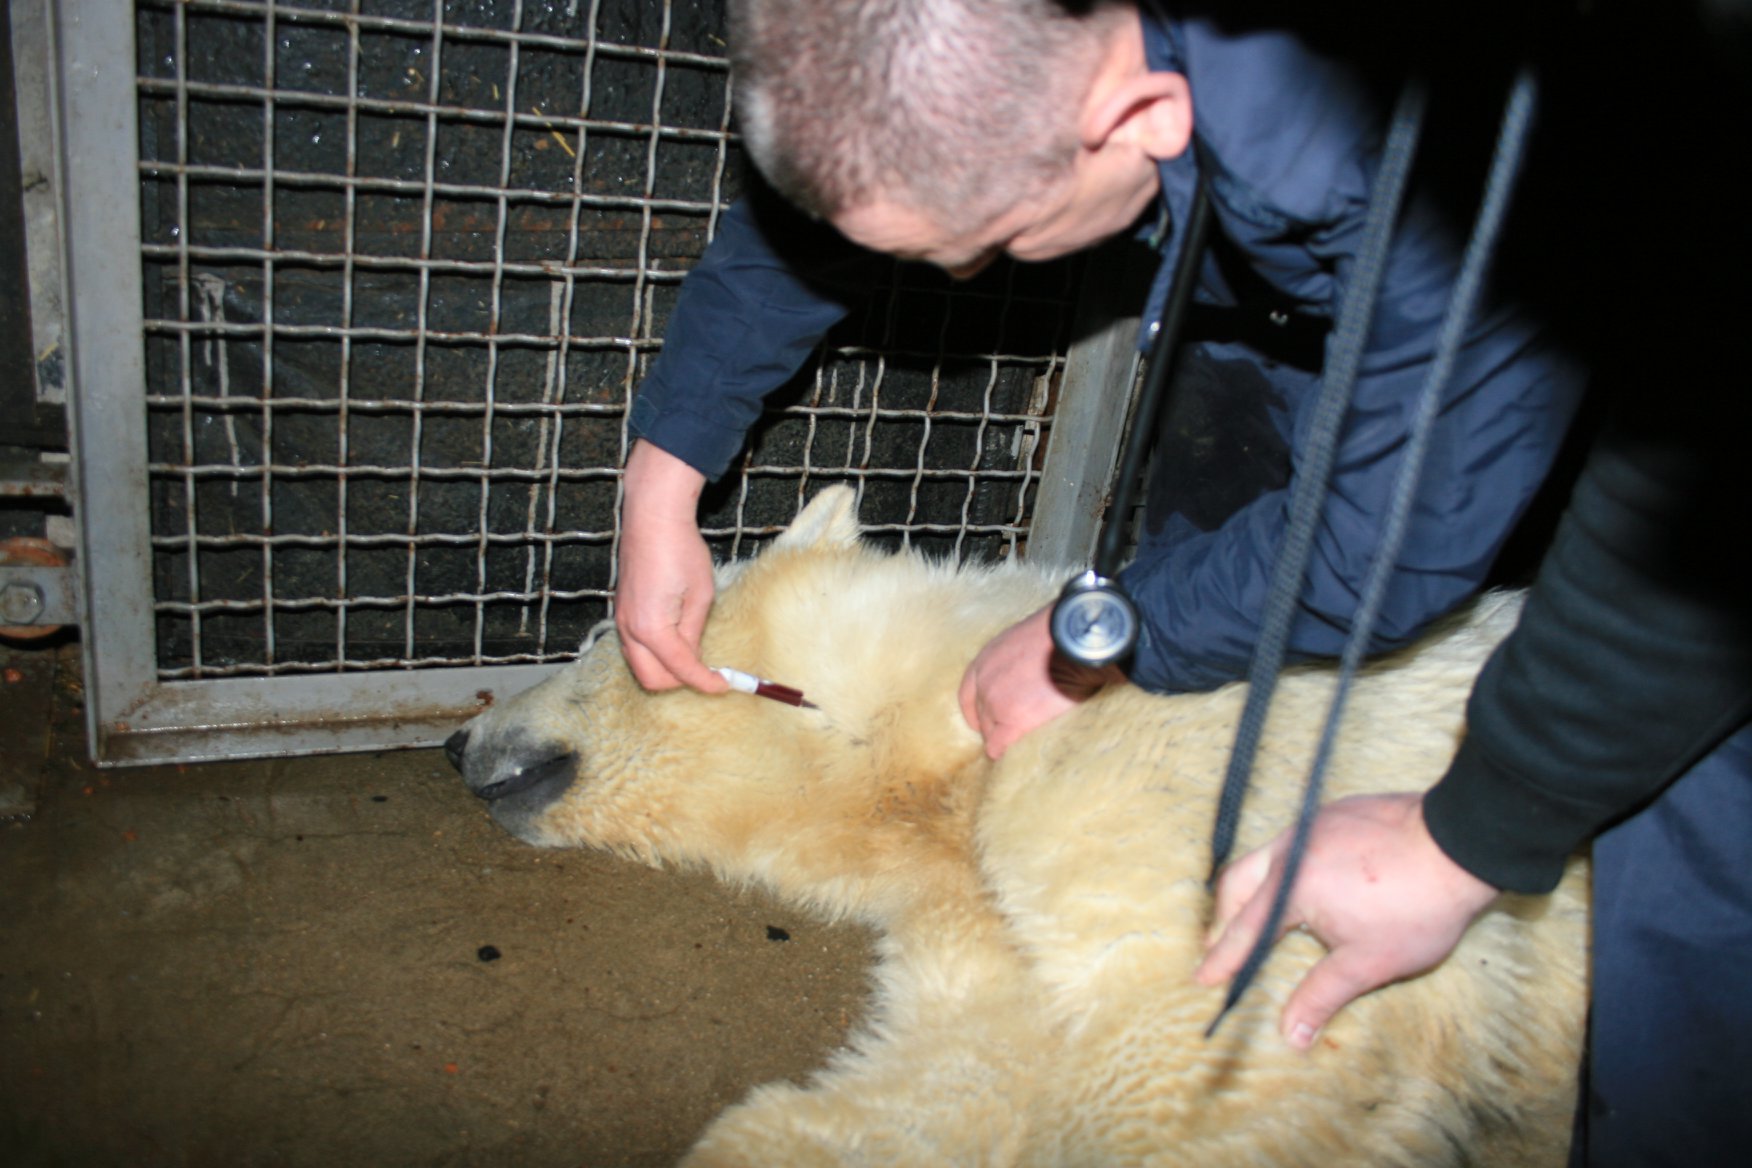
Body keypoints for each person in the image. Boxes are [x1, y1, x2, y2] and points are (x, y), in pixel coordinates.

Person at [610, 2, 1751, 1164]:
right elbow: (857, 158)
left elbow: (1412, 536)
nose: (968, 278)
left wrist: (1471, 831)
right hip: (1262, 240)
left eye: (998, 238)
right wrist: (666, 472)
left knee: (1688, 901)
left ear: (1141, 114)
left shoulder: (1446, 159)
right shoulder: (1057, 68)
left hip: (1664, 351)